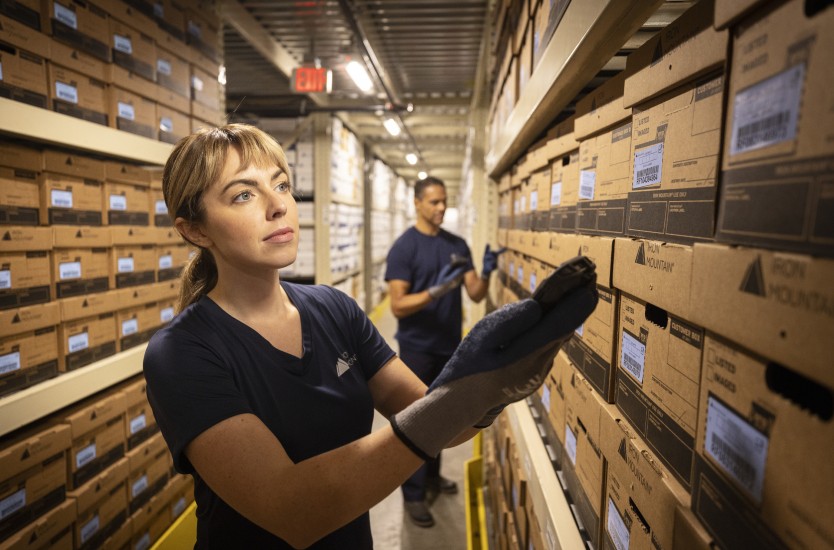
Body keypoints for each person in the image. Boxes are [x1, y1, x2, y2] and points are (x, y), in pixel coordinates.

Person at [143, 123, 598, 549]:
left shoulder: (335, 309)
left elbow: (439, 425)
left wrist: (491, 392)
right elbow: (292, 511)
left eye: (281, 184)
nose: (278, 204)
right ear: (195, 229)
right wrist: (464, 395)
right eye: (243, 194)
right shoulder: (182, 353)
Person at [385, 176, 506, 527]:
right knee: (415, 420)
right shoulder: (404, 248)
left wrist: (484, 273)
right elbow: (397, 305)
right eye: (434, 202)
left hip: (450, 348)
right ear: (418, 203)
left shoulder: (457, 244)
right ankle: (413, 492)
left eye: (444, 202)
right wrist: (436, 292)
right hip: (417, 349)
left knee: (443, 419)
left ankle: (434, 477)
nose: (441, 208)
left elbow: (476, 294)